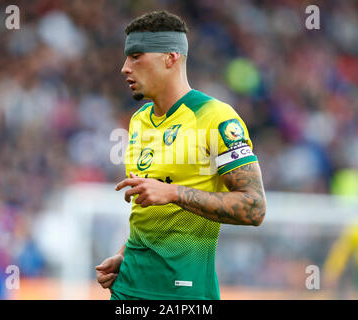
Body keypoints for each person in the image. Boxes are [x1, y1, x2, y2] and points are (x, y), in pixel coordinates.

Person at [96, 10, 266, 300]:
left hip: (184, 294)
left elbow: (254, 207)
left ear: (170, 58)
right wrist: (125, 254)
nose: (125, 67)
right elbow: (149, 210)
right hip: (128, 288)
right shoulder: (138, 121)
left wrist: (174, 193)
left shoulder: (216, 117)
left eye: (136, 56)